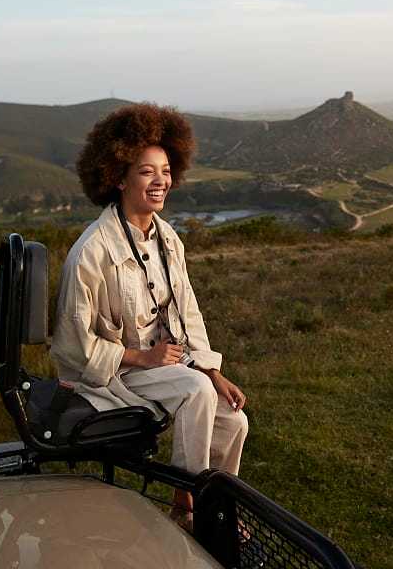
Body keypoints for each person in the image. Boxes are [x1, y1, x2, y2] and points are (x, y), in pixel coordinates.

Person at [50, 103, 247, 527]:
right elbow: (71, 345)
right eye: (146, 171)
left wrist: (213, 370)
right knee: (195, 392)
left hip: (169, 365)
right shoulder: (92, 252)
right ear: (118, 177)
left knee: (234, 419)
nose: (161, 181)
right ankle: (187, 508)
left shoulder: (168, 238)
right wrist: (142, 358)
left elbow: (188, 311)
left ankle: (219, 507)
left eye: (166, 170)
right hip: (116, 372)